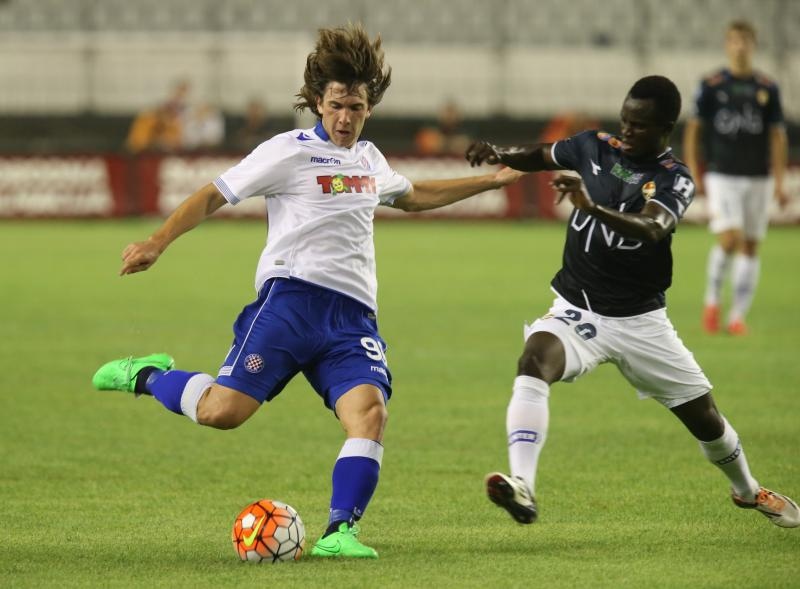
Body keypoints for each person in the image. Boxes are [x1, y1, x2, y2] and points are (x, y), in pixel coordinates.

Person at [91, 23, 524, 559]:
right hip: (290, 305)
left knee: (370, 414)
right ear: (318, 102)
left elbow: (413, 195)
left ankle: (340, 532)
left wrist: (489, 181)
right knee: (222, 413)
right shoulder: (286, 152)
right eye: (337, 105)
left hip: (352, 319)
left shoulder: (370, 161)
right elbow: (212, 194)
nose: (345, 118)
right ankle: (147, 374)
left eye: (357, 107)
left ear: (370, 108)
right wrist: (158, 240)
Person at [466, 75, 799, 528]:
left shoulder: (674, 178)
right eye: (624, 119)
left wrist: (590, 207)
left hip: (641, 322)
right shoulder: (595, 147)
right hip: (577, 308)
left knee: (707, 421)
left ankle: (747, 490)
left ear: (665, 128)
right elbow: (543, 155)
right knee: (533, 361)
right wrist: (500, 154)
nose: (626, 131)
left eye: (639, 125)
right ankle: (522, 486)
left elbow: (653, 227)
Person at [683, 20, 789, 336]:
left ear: (753, 45)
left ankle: (737, 317)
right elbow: (693, 129)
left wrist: (780, 181)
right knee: (730, 239)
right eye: (734, 40)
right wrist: (693, 169)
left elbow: (777, 136)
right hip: (722, 174)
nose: (740, 46)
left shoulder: (767, 87)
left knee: (751, 246)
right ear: (727, 45)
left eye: (745, 40)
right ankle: (712, 301)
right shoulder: (712, 85)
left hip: (758, 176)